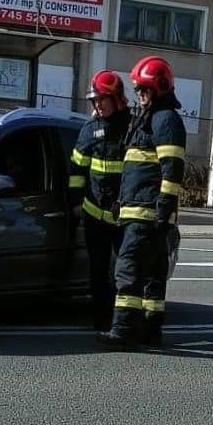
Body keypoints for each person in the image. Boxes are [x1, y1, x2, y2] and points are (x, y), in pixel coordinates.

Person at [101, 56, 186, 348]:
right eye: (137, 89)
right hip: (143, 211)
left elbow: (172, 169)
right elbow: (138, 169)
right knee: (153, 276)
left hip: (146, 215)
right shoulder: (151, 119)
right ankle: (151, 329)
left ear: (159, 88)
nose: (139, 94)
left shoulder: (165, 120)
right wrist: (120, 201)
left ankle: (123, 331)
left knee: (128, 271)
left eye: (143, 89)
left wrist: (164, 206)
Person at [68, 70, 132, 332]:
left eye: (101, 99)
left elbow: (137, 172)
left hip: (124, 216)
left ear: (116, 98)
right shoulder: (89, 130)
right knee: (98, 270)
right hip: (95, 216)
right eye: (94, 100)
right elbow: (77, 170)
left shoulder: (132, 128)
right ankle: (101, 319)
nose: (97, 105)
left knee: (126, 271)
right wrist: (76, 203)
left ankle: (124, 321)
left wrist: (125, 201)